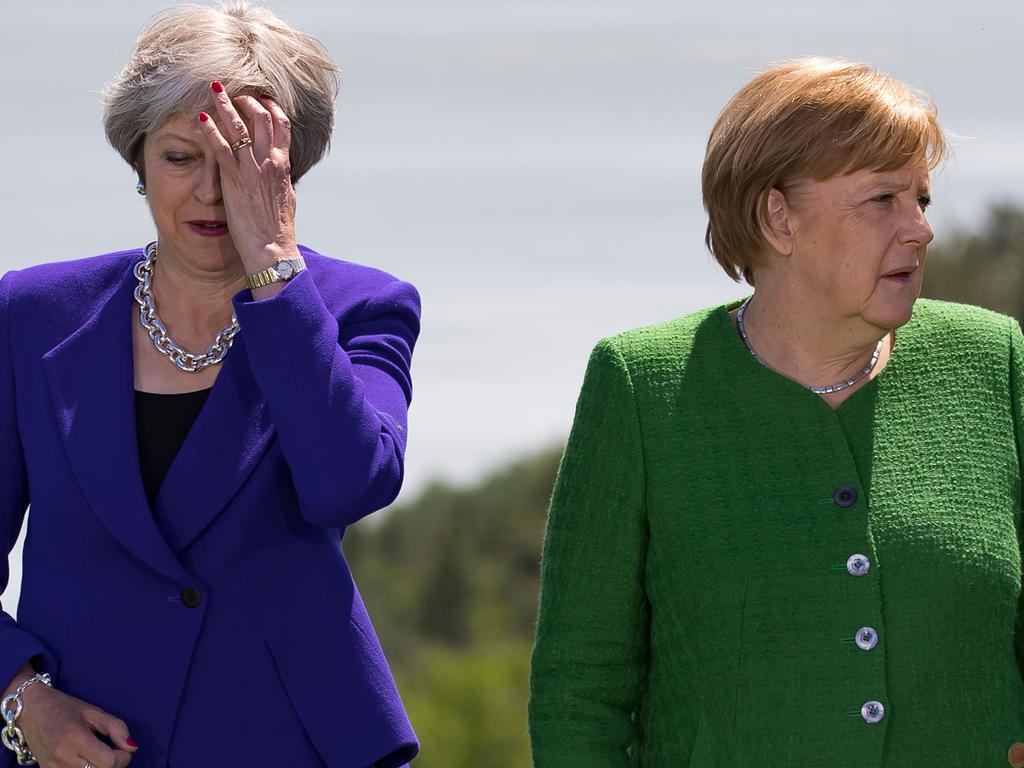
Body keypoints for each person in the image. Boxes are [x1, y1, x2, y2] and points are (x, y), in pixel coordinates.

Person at [529, 57, 1024, 767]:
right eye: (883, 199)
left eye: (922, 199)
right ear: (778, 216)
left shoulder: (991, 360)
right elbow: (580, 690)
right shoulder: (642, 386)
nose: (921, 230)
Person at [0, 3, 419, 767]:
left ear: (289, 170)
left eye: (242, 163)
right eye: (181, 157)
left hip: (286, 741)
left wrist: (276, 275)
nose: (210, 194)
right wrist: (24, 698)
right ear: (137, 160)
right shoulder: (29, 314)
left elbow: (346, 485)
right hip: (81, 748)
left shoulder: (363, 305)